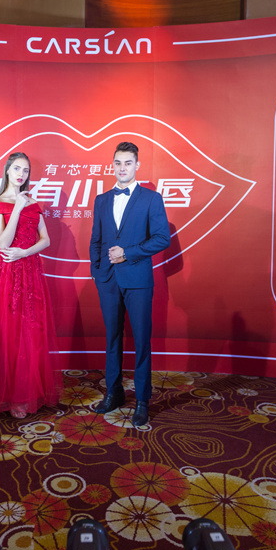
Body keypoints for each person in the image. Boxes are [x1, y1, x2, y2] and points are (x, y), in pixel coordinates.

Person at [0, 152, 62, 419]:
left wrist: (25, 252)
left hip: (30, 270)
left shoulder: (34, 203)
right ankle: (4, 395)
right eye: (17, 169)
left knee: (30, 333)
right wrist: (17, 207)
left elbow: (46, 240)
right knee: (6, 333)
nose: (21, 174)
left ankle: (24, 394)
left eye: (25, 170)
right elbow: (3, 242)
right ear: (7, 170)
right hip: (5, 273)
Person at [89, 141, 171, 427]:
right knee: (112, 339)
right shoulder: (101, 200)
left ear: (137, 165)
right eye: (118, 163)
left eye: (127, 163)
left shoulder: (151, 198)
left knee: (141, 341)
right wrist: (97, 273)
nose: (122, 168)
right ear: (112, 165)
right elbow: (96, 239)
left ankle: (142, 401)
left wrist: (128, 253)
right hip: (108, 281)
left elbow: (162, 238)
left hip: (138, 280)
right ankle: (114, 393)